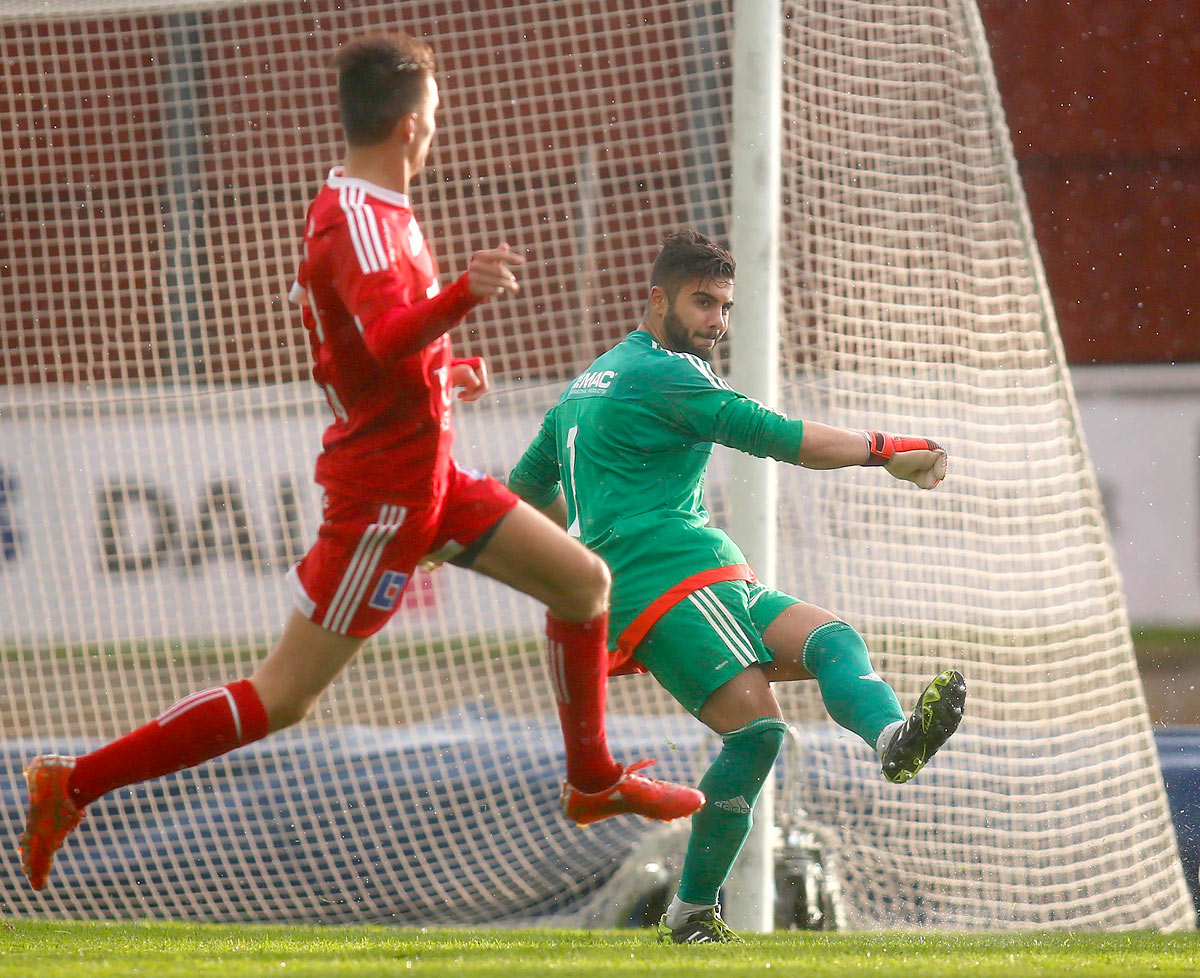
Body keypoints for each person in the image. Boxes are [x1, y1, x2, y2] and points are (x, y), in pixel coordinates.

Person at [17, 33, 703, 894]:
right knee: (284, 697)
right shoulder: (364, 220)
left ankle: (593, 781)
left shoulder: (367, 205)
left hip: (432, 479)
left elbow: (365, 354)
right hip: (383, 499)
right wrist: (463, 293)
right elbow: (381, 336)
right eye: (438, 116)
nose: (438, 130)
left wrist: (444, 375)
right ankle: (70, 784)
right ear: (414, 124)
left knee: (583, 584)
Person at [507, 229, 967, 944]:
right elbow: (782, 437)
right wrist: (888, 450)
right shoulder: (667, 376)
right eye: (701, 302)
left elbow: (528, 493)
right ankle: (693, 913)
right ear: (656, 299)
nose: (715, 321)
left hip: (703, 573)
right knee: (756, 733)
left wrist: (594, 529)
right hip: (669, 581)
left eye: (724, 306)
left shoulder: (583, 385)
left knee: (830, 639)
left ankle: (891, 740)